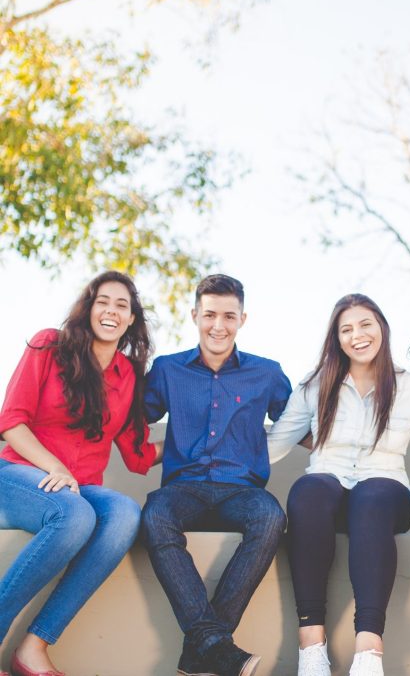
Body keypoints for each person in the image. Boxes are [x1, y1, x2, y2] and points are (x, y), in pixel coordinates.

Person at [266, 293, 410, 676]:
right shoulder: (315, 385)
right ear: (337, 339)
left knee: (371, 496)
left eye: (365, 324)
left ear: (382, 327)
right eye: (346, 329)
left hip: (386, 493)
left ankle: (368, 652)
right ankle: (312, 648)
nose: (358, 335)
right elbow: (274, 444)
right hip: (328, 495)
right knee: (309, 490)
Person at [0, 271, 161, 676]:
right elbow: (11, 421)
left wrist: (199, 445)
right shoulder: (48, 345)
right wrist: (53, 464)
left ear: (131, 319)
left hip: (79, 487)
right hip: (19, 472)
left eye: (121, 305)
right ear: (88, 308)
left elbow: (138, 454)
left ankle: (33, 646)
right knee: (73, 514)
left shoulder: (127, 376)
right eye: (102, 301)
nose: (111, 310)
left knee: (124, 513)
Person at [140, 274, 291, 676]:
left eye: (229, 315)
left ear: (243, 318)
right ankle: (217, 646)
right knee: (155, 515)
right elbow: (131, 417)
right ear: (194, 315)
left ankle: (203, 649)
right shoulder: (169, 369)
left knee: (271, 517)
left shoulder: (267, 373)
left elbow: (302, 422)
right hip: (183, 489)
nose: (218, 325)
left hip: (241, 492)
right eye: (210, 315)